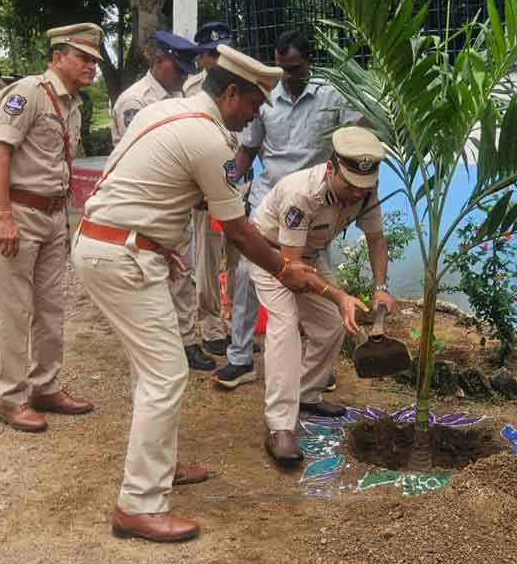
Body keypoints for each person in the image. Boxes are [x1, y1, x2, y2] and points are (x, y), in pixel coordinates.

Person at [72, 45, 351, 543]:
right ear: (231, 93)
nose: (257, 115)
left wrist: (157, 240)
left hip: (118, 244)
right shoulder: (210, 139)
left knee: (152, 370)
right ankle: (138, 504)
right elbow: (240, 234)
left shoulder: (166, 110)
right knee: (166, 373)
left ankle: (160, 464)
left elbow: (142, 184)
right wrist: (289, 270)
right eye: (253, 104)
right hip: (122, 255)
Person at [213, 29, 363, 391]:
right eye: (282, 68)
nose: (288, 76)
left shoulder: (332, 95)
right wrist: (227, 184)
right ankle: (241, 358)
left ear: (309, 62)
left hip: (315, 205)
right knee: (250, 278)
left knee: (315, 282)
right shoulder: (265, 98)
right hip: (270, 203)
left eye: (294, 68)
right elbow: (247, 151)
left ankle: (317, 368)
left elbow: (360, 131)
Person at [251, 127, 394, 463]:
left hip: (310, 257)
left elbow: (376, 239)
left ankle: (307, 394)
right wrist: (340, 295)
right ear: (331, 169)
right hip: (271, 256)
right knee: (285, 328)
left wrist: (380, 287)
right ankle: (280, 427)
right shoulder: (302, 194)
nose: (355, 195)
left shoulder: (365, 191)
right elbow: (290, 267)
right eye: (349, 186)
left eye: (363, 188)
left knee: (331, 325)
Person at [0, 23, 101, 432]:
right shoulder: (28, 93)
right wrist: (2, 216)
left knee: (52, 305)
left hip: (54, 214)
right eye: (83, 57)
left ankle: (45, 386)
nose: (91, 66)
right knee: (16, 308)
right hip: (19, 210)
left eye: (94, 60)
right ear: (57, 57)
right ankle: (11, 398)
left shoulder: (74, 104)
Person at [109, 31, 222, 371]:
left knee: (180, 272)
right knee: (148, 274)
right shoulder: (135, 101)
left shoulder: (180, 95)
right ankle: (156, 344)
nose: (184, 77)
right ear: (159, 62)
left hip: (174, 202)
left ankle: (186, 341)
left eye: (188, 71)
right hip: (143, 205)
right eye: (178, 70)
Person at [183, 22, 239, 359]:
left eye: (225, 50)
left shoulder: (240, 83)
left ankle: (234, 324)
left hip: (234, 182)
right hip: (205, 189)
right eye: (213, 53)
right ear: (202, 56)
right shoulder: (193, 91)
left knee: (236, 260)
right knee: (206, 260)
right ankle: (212, 327)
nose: (219, 58)